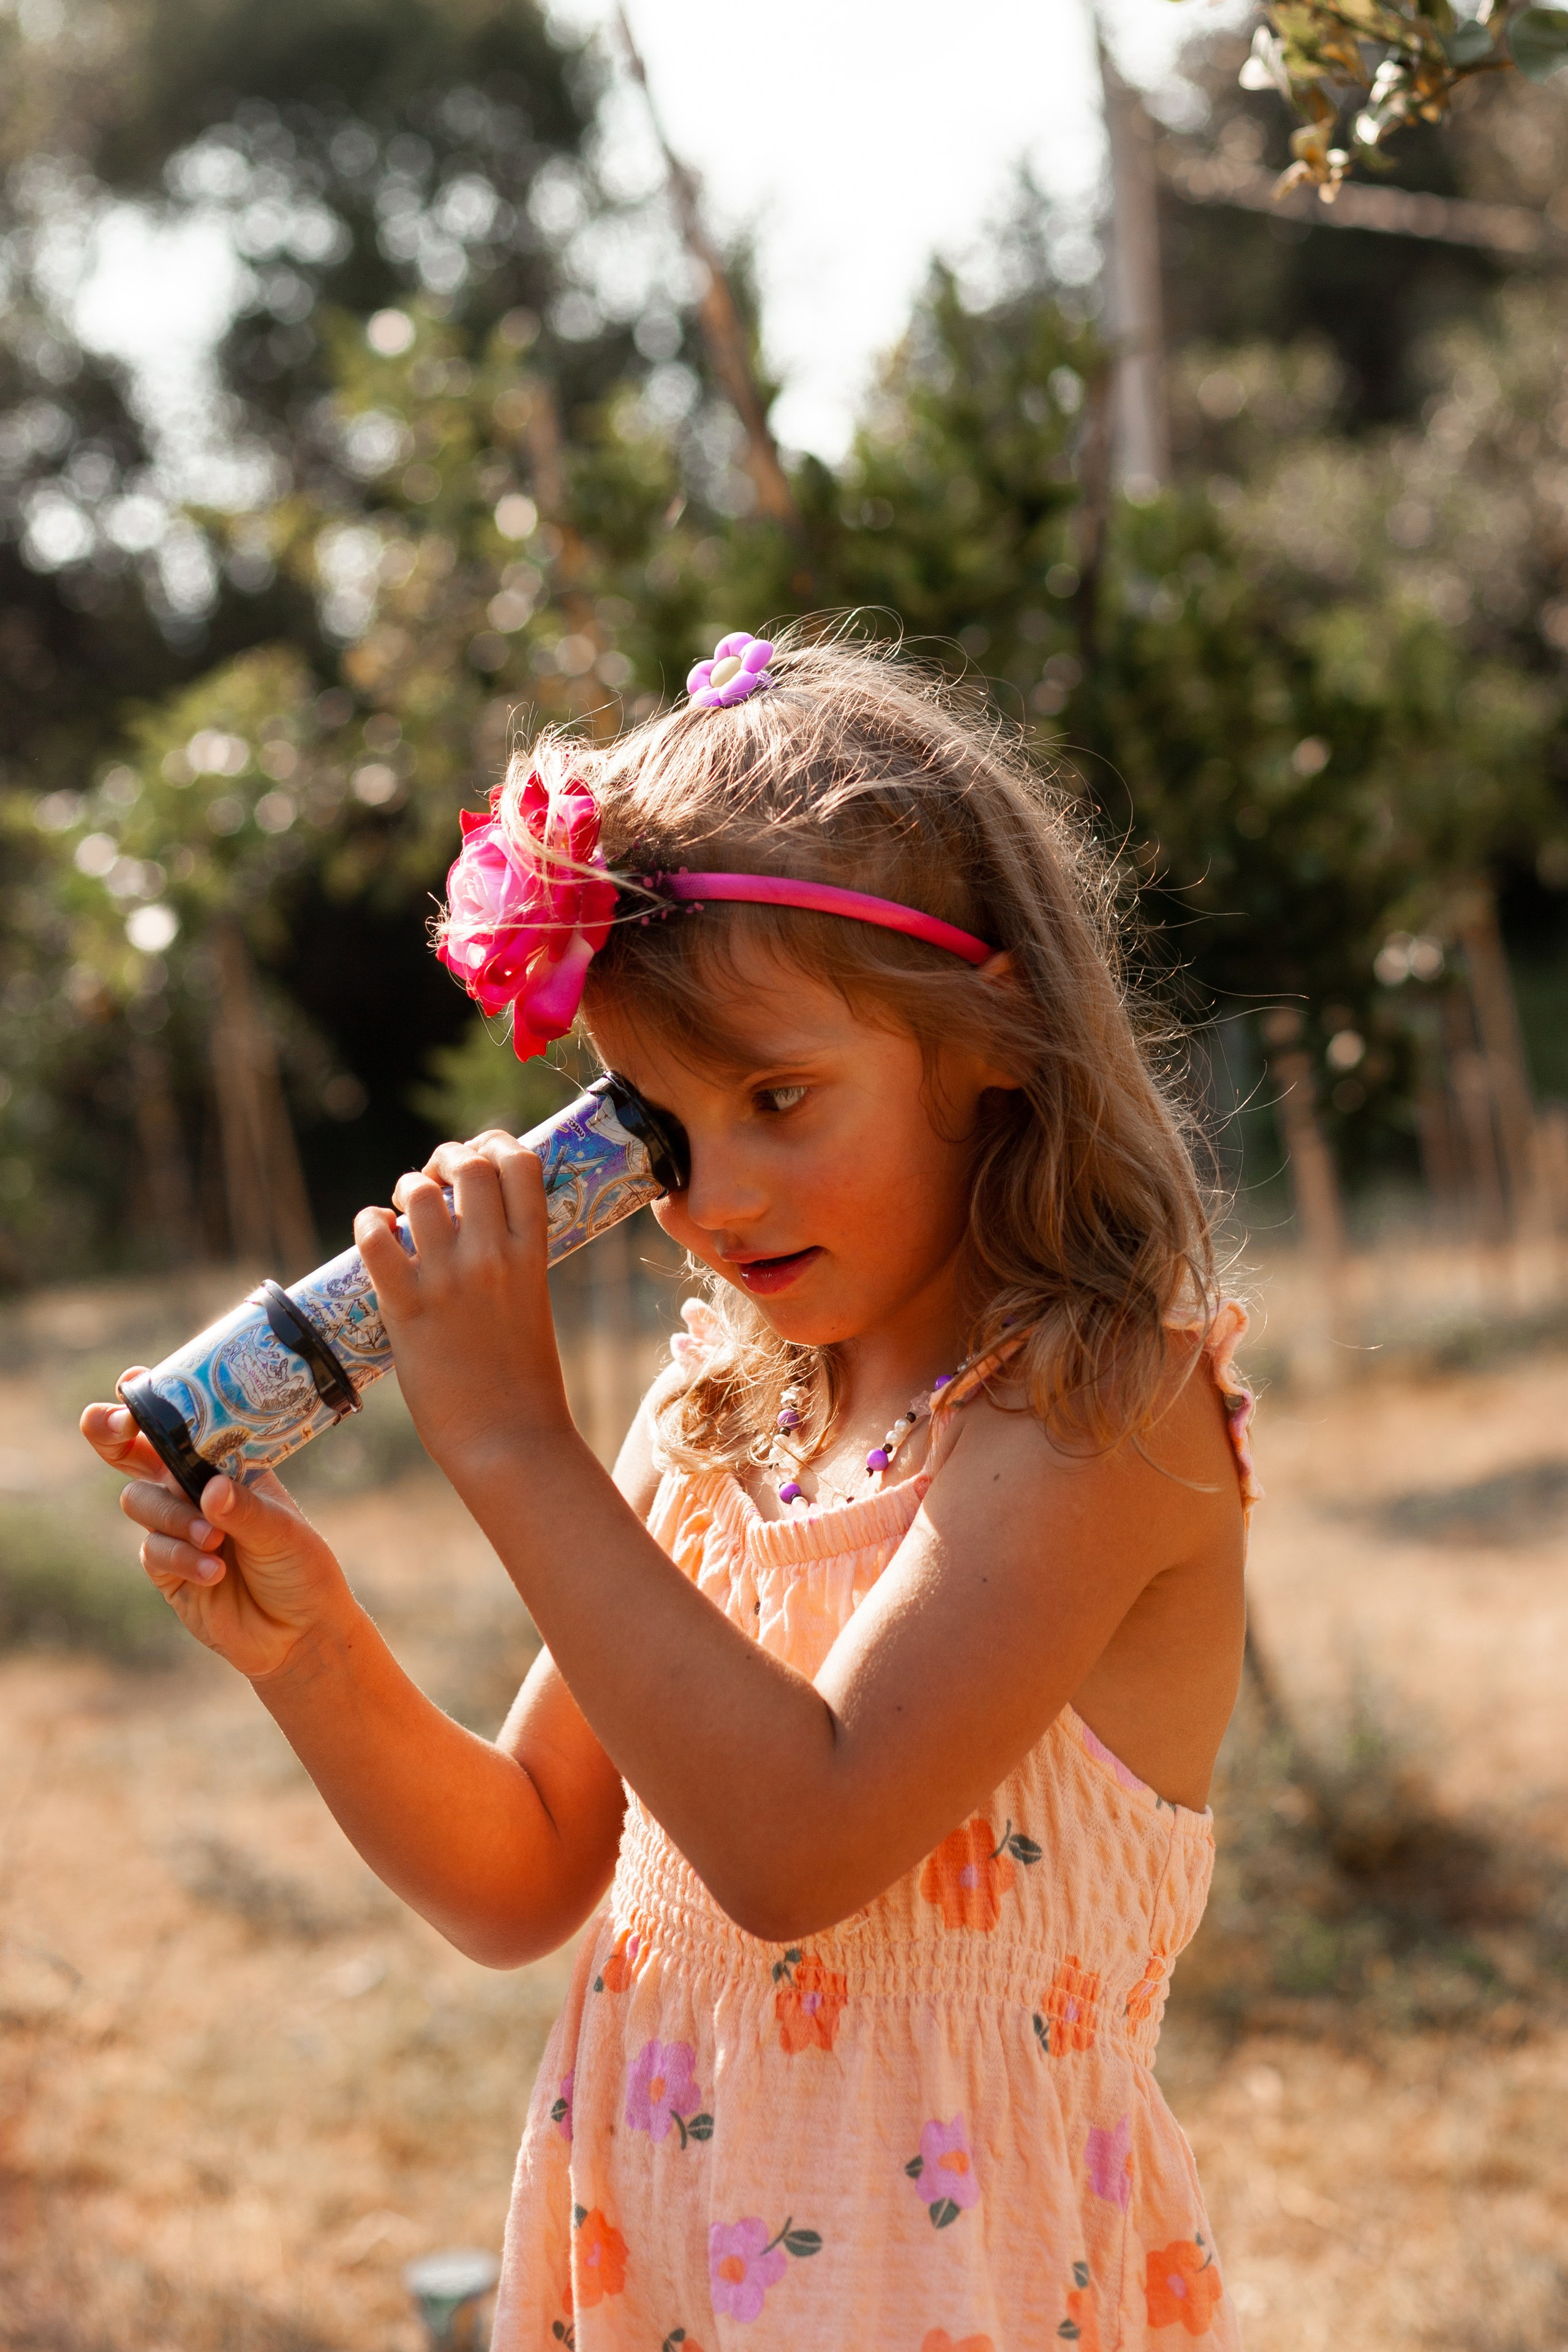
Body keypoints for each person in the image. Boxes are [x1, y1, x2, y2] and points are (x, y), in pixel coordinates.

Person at [83, 630, 1259, 2350]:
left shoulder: (1103, 1412)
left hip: (959, 2290)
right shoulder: (713, 1427)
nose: (717, 1195)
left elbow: (798, 1841)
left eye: (782, 1097)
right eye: (662, 1128)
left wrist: (511, 1446)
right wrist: (313, 1653)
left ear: (993, 1026)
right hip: (664, 2263)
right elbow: (528, 1873)